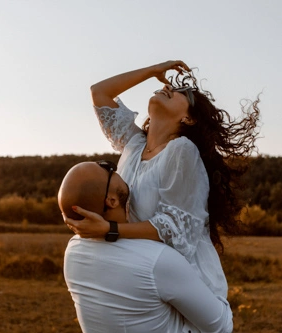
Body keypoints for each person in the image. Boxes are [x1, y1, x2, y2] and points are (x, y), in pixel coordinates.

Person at [64, 60, 261, 298]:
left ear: (189, 119)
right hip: (143, 275)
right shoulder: (134, 144)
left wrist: (109, 229)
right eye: (170, 87)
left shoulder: (181, 150)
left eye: (182, 94)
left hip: (188, 287)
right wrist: (152, 71)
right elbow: (99, 92)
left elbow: (176, 230)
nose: (169, 89)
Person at [59, 161, 233, 333]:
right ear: (111, 200)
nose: (115, 168)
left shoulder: (73, 251)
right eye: (107, 168)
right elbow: (221, 326)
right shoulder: (157, 261)